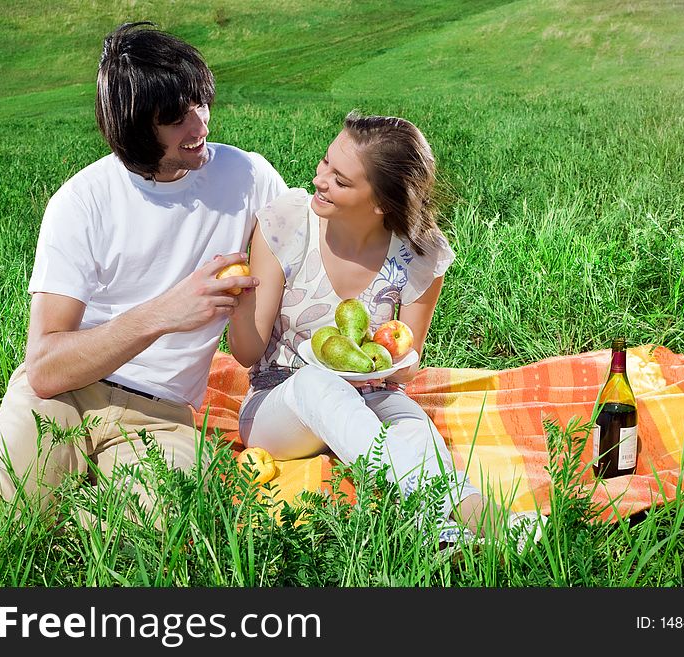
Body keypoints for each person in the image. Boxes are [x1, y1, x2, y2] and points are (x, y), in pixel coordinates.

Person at [0, 22, 287, 546]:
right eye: (176, 116)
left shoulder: (249, 178)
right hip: (68, 393)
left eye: (200, 100)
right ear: (137, 128)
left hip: (163, 414)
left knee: (170, 534)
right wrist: (165, 312)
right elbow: (45, 368)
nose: (200, 122)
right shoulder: (82, 202)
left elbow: (307, 240)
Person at [227, 112, 543, 547]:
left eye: (340, 180)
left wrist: (388, 364)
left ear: (380, 204)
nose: (320, 179)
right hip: (278, 403)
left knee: (416, 429)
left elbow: (406, 367)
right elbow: (247, 352)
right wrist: (238, 302)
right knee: (319, 384)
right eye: (325, 163)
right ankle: (457, 512)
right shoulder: (288, 222)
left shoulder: (418, 253)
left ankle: (455, 531)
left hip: (374, 395)